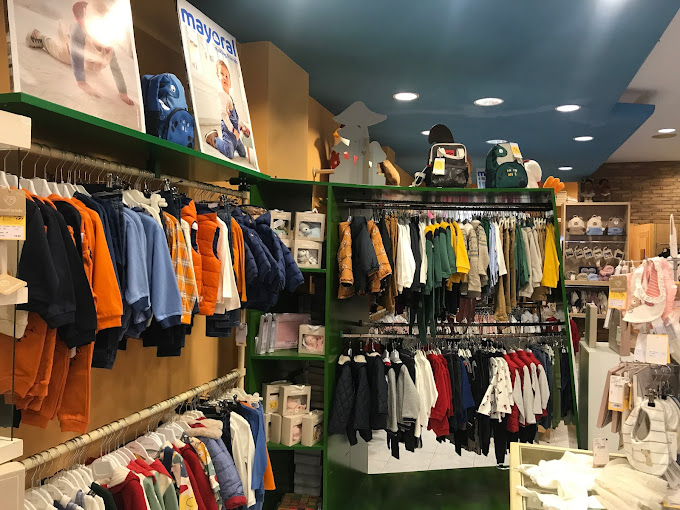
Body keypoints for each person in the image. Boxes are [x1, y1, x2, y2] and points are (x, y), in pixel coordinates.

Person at [25, 1, 135, 106]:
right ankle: (41, 38)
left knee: (96, 64)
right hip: (72, 42)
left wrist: (123, 93)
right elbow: (76, 57)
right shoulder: (80, 31)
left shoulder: (109, 46)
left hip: (91, 57)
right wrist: (82, 82)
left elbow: (116, 69)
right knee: (65, 56)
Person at [204, 59, 252, 159]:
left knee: (243, 154)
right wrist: (233, 130)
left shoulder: (229, 97)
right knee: (229, 154)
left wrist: (241, 127)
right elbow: (224, 115)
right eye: (222, 74)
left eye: (227, 76)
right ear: (218, 76)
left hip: (236, 135)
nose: (225, 78)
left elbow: (235, 118)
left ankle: (236, 144)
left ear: (230, 83)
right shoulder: (221, 94)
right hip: (229, 133)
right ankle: (214, 138)